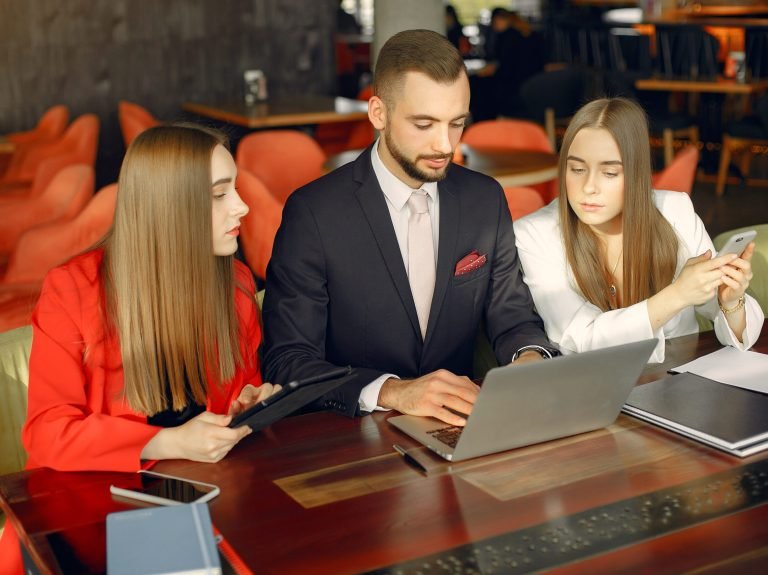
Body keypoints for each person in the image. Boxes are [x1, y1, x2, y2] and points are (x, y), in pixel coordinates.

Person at [0, 124, 279, 574]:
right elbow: (49, 432)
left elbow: (234, 394)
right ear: (169, 209)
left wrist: (248, 403)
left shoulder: (237, 285)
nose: (242, 207)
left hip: (202, 501)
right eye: (219, 194)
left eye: (236, 190)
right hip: (89, 512)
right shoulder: (74, 290)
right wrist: (167, 439)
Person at [263, 29, 557, 428]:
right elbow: (287, 361)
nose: (444, 145)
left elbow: (513, 316)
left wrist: (530, 359)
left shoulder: (484, 200)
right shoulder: (313, 213)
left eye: (457, 123)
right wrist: (393, 391)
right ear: (378, 113)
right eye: (424, 124)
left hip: (461, 431)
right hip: (352, 441)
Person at [514, 98, 764, 362]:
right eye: (576, 169)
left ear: (637, 173)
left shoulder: (675, 211)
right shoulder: (535, 233)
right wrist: (676, 295)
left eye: (609, 173)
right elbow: (581, 338)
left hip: (678, 385)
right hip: (592, 391)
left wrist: (731, 302)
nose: (588, 187)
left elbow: (736, 331)